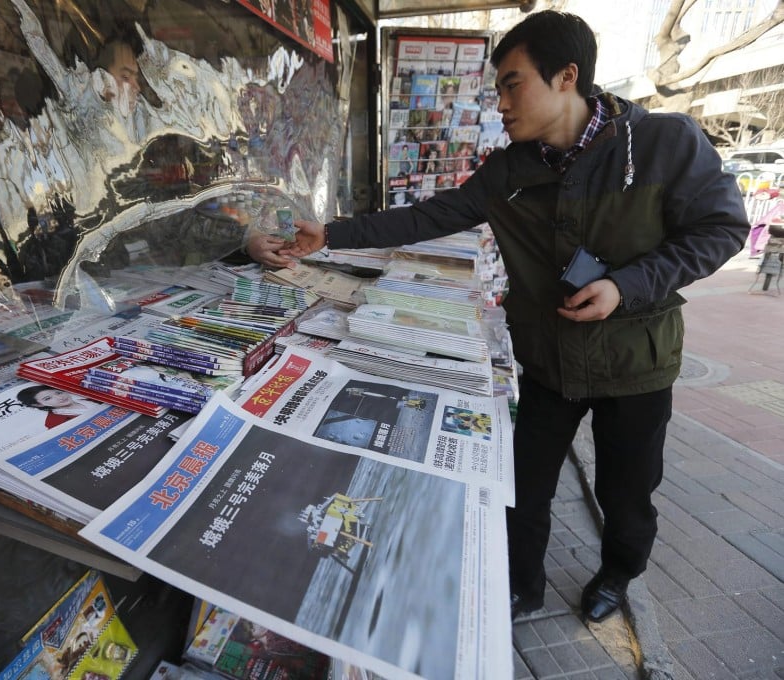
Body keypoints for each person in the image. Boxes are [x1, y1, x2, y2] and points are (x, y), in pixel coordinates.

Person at [246, 11, 749, 623]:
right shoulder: (512, 169)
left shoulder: (665, 144)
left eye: (513, 84)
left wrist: (628, 285)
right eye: (498, 89)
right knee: (524, 487)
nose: (501, 102)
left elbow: (721, 229)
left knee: (627, 490)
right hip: (545, 360)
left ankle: (618, 573)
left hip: (635, 362)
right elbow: (431, 216)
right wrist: (332, 234)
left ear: (567, 77)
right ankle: (522, 585)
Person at [17, 385, 93, 429]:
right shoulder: (54, 422)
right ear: (38, 404)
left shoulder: (89, 398)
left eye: (58, 393)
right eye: (48, 398)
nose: (60, 397)